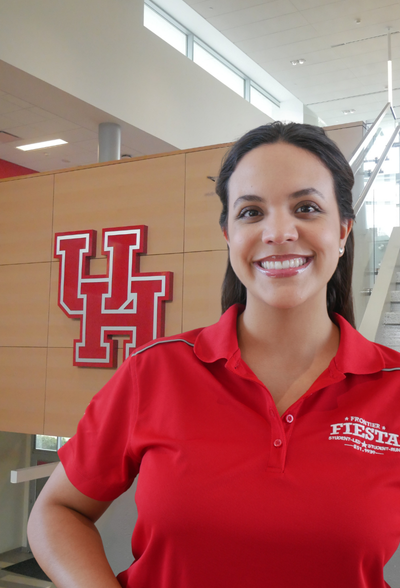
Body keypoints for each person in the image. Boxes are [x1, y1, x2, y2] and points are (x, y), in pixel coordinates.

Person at [27, 122, 400, 588]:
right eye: (251, 212)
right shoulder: (156, 371)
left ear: (343, 229)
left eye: (306, 208)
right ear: (228, 234)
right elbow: (58, 510)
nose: (278, 232)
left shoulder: (393, 388)